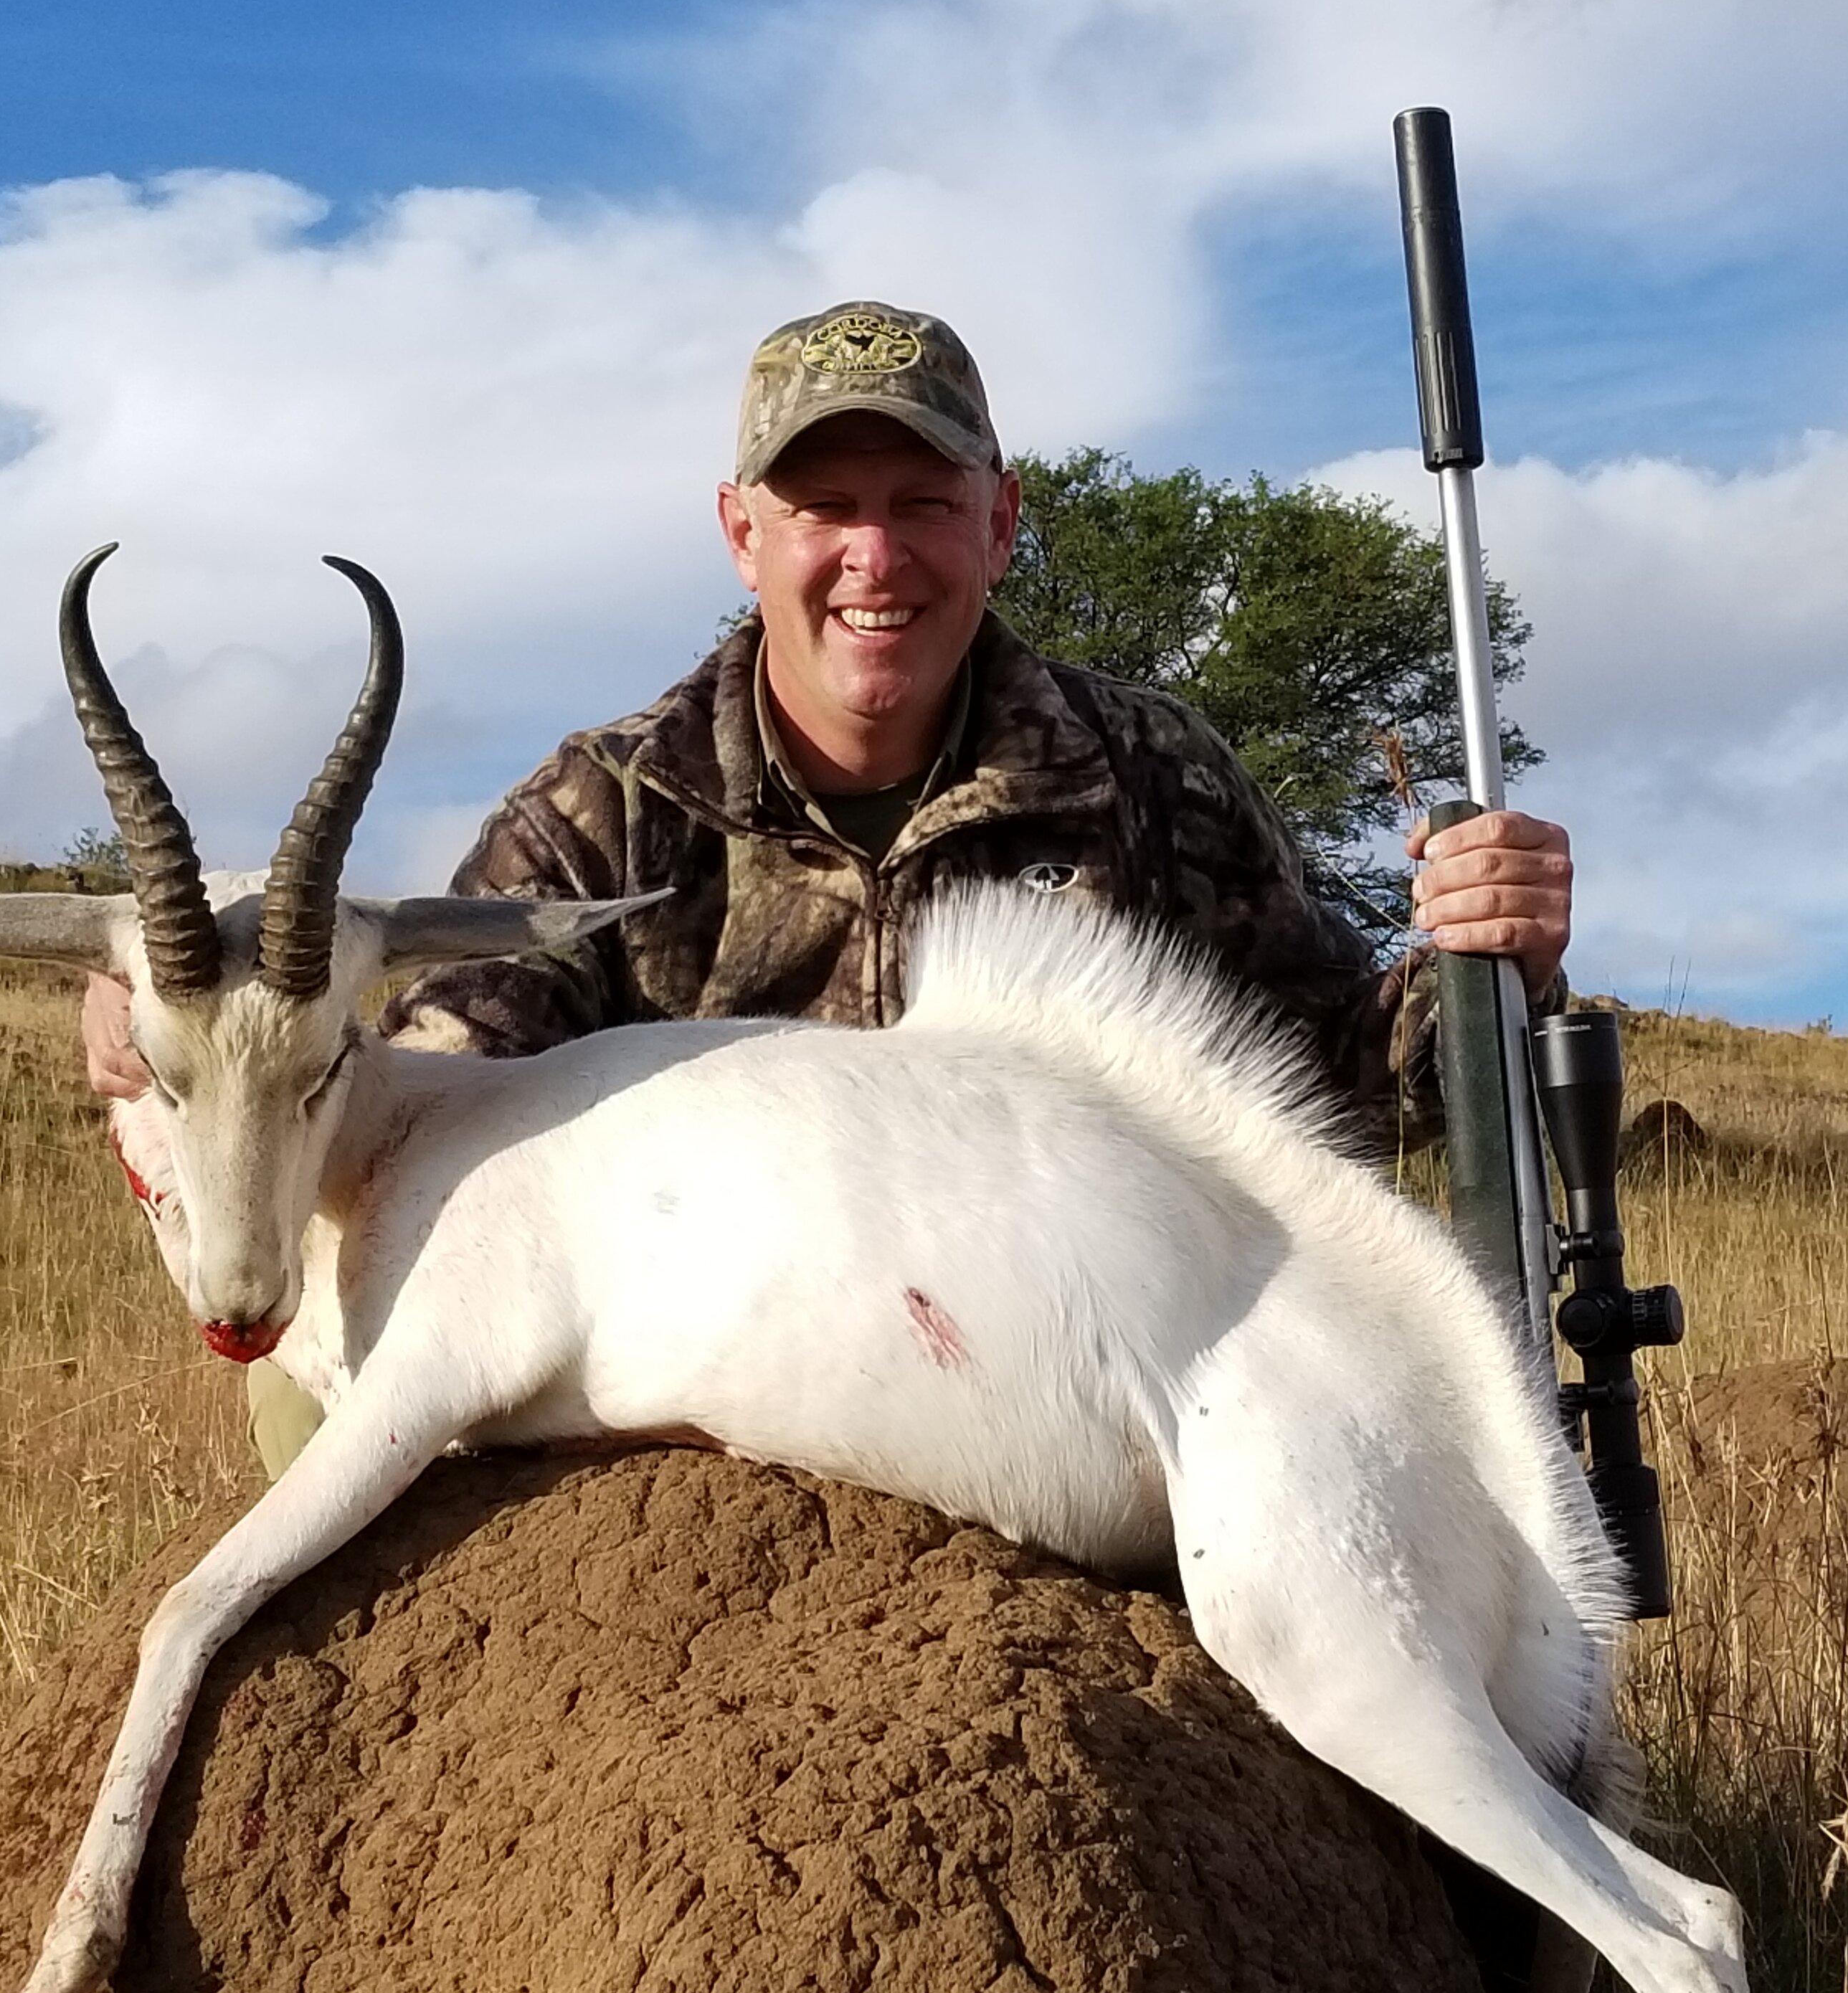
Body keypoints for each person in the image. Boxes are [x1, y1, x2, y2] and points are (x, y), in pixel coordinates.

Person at [82, 299, 1575, 1475]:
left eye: (922, 501)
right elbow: (424, 1120)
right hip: (706, 1436)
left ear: (1000, 520)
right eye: (823, 507)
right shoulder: (599, 810)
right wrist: (181, 1051)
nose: (874, 555)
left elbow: (1338, 1094)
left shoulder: (1151, 773)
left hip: (1063, 1408)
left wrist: (1489, 969)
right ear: (746, 534)